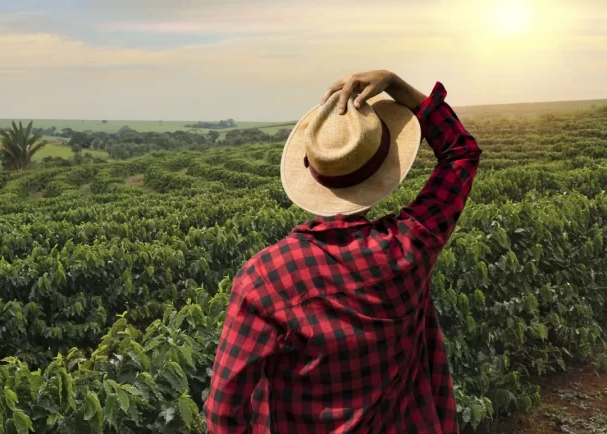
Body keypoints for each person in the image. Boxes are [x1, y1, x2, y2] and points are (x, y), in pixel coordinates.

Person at [204, 70, 482, 433]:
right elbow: (460, 153)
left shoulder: (265, 278)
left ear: (310, 168)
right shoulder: (409, 247)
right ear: (384, 167)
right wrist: (396, 85)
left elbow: (224, 413)